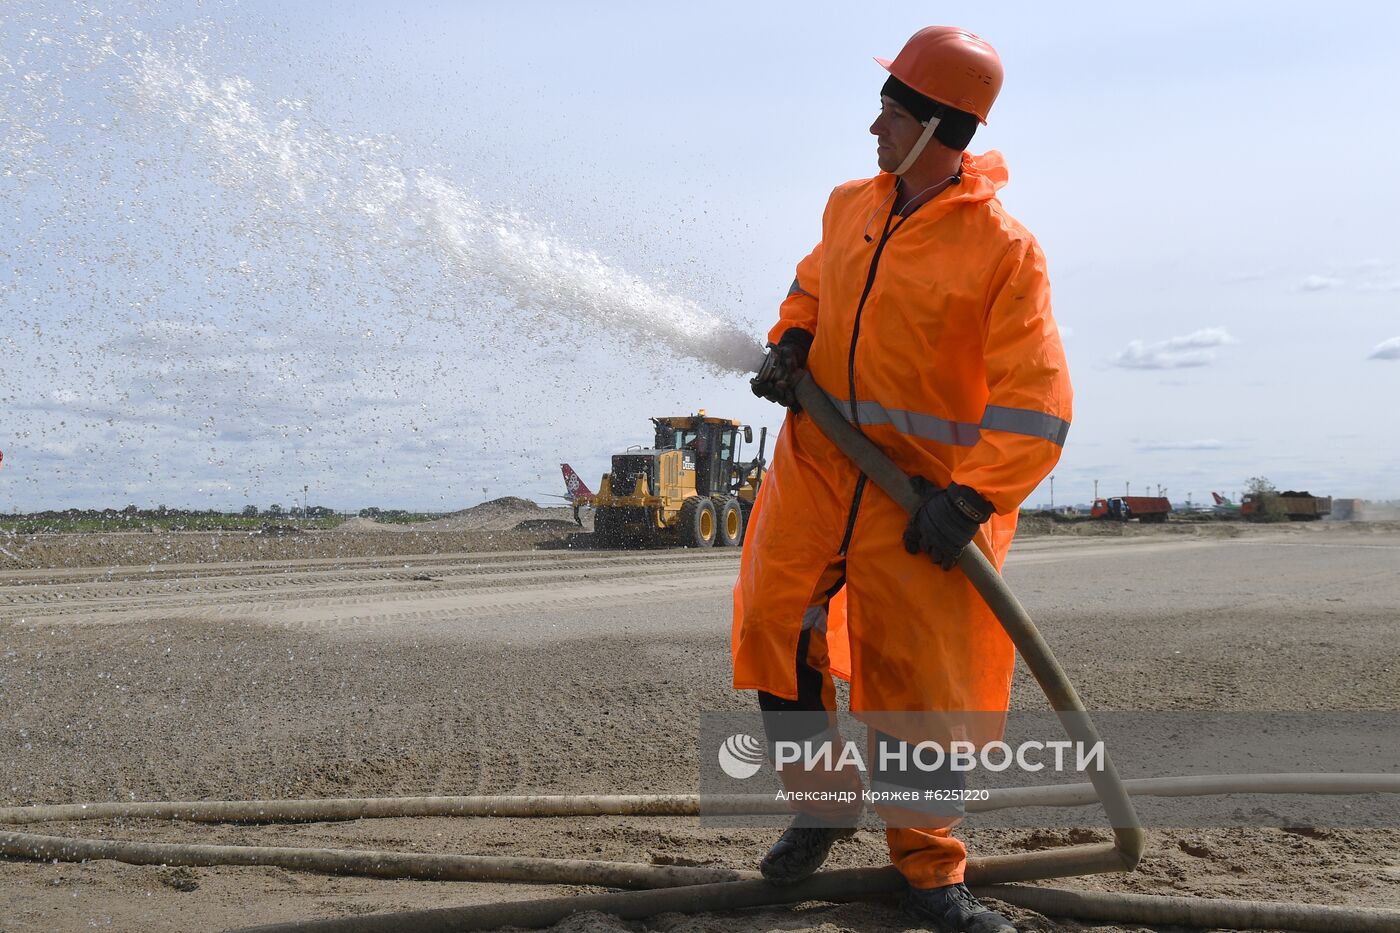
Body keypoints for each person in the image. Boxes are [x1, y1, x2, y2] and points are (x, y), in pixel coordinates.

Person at [733, 25, 1072, 933]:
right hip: (817, 465)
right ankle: (821, 803)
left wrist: (971, 497)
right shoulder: (850, 204)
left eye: (891, 108)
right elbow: (810, 289)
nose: (874, 123)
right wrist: (793, 337)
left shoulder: (1004, 248)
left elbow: (1037, 402)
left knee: (916, 687)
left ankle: (931, 872)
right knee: (778, 627)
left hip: (919, 498)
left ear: (937, 125)